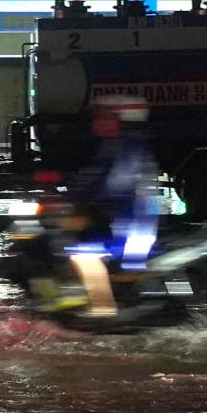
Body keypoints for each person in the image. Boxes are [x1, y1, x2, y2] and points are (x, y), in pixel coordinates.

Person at [31, 94, 159, 316]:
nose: (97, 121)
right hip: (117, 219)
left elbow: (110, 186)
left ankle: (102, 310)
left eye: (104, 116)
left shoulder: (129, 149)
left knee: (84, 253)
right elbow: (91, 177)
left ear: (122, 119)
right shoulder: (116, 145)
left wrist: (75, 199)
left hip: (130, 227)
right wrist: (61, 187)